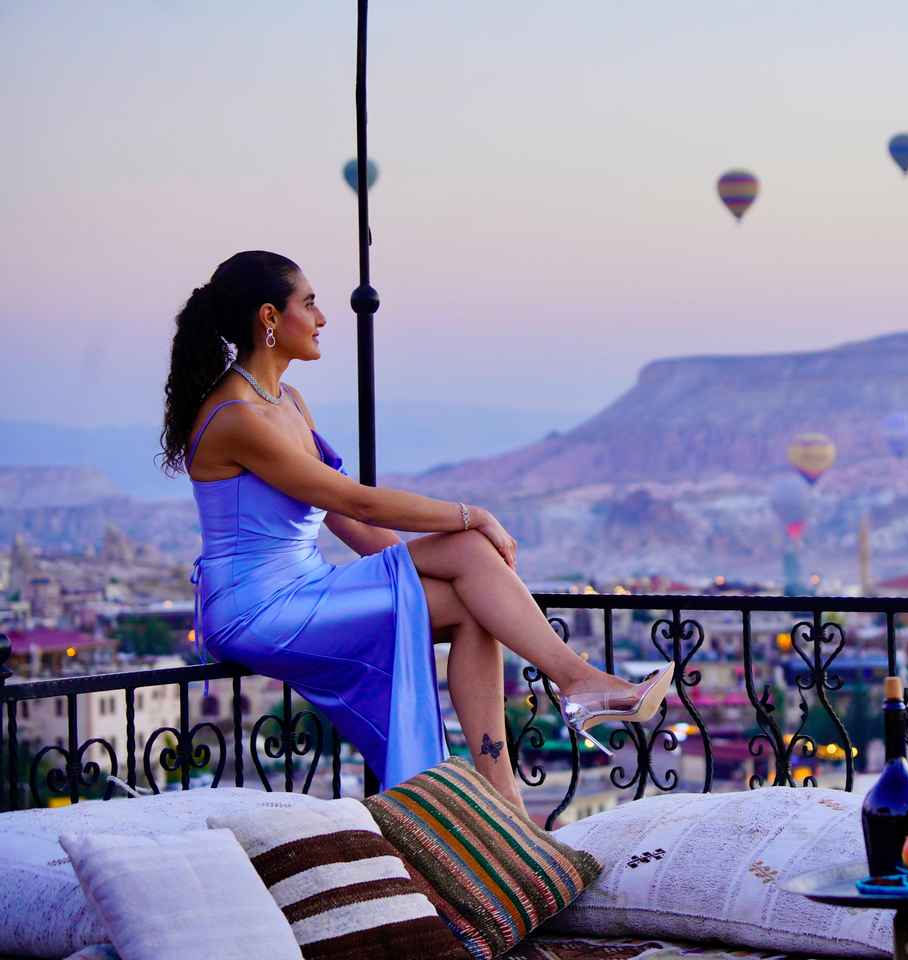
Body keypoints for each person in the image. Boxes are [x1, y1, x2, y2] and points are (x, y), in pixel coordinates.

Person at [160, 250, 671, 807]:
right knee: (469, 547)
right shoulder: (236, 418)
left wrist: (429, 565)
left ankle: (507, 798)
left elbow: (346, 520)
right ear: (269, 318)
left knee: (474, 601)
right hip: (255, 608)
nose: (323, 318)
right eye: (309, 304)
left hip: (305, 585)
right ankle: (576, 685)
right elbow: (357, 501)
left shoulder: (289, 403)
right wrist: (472, 516)